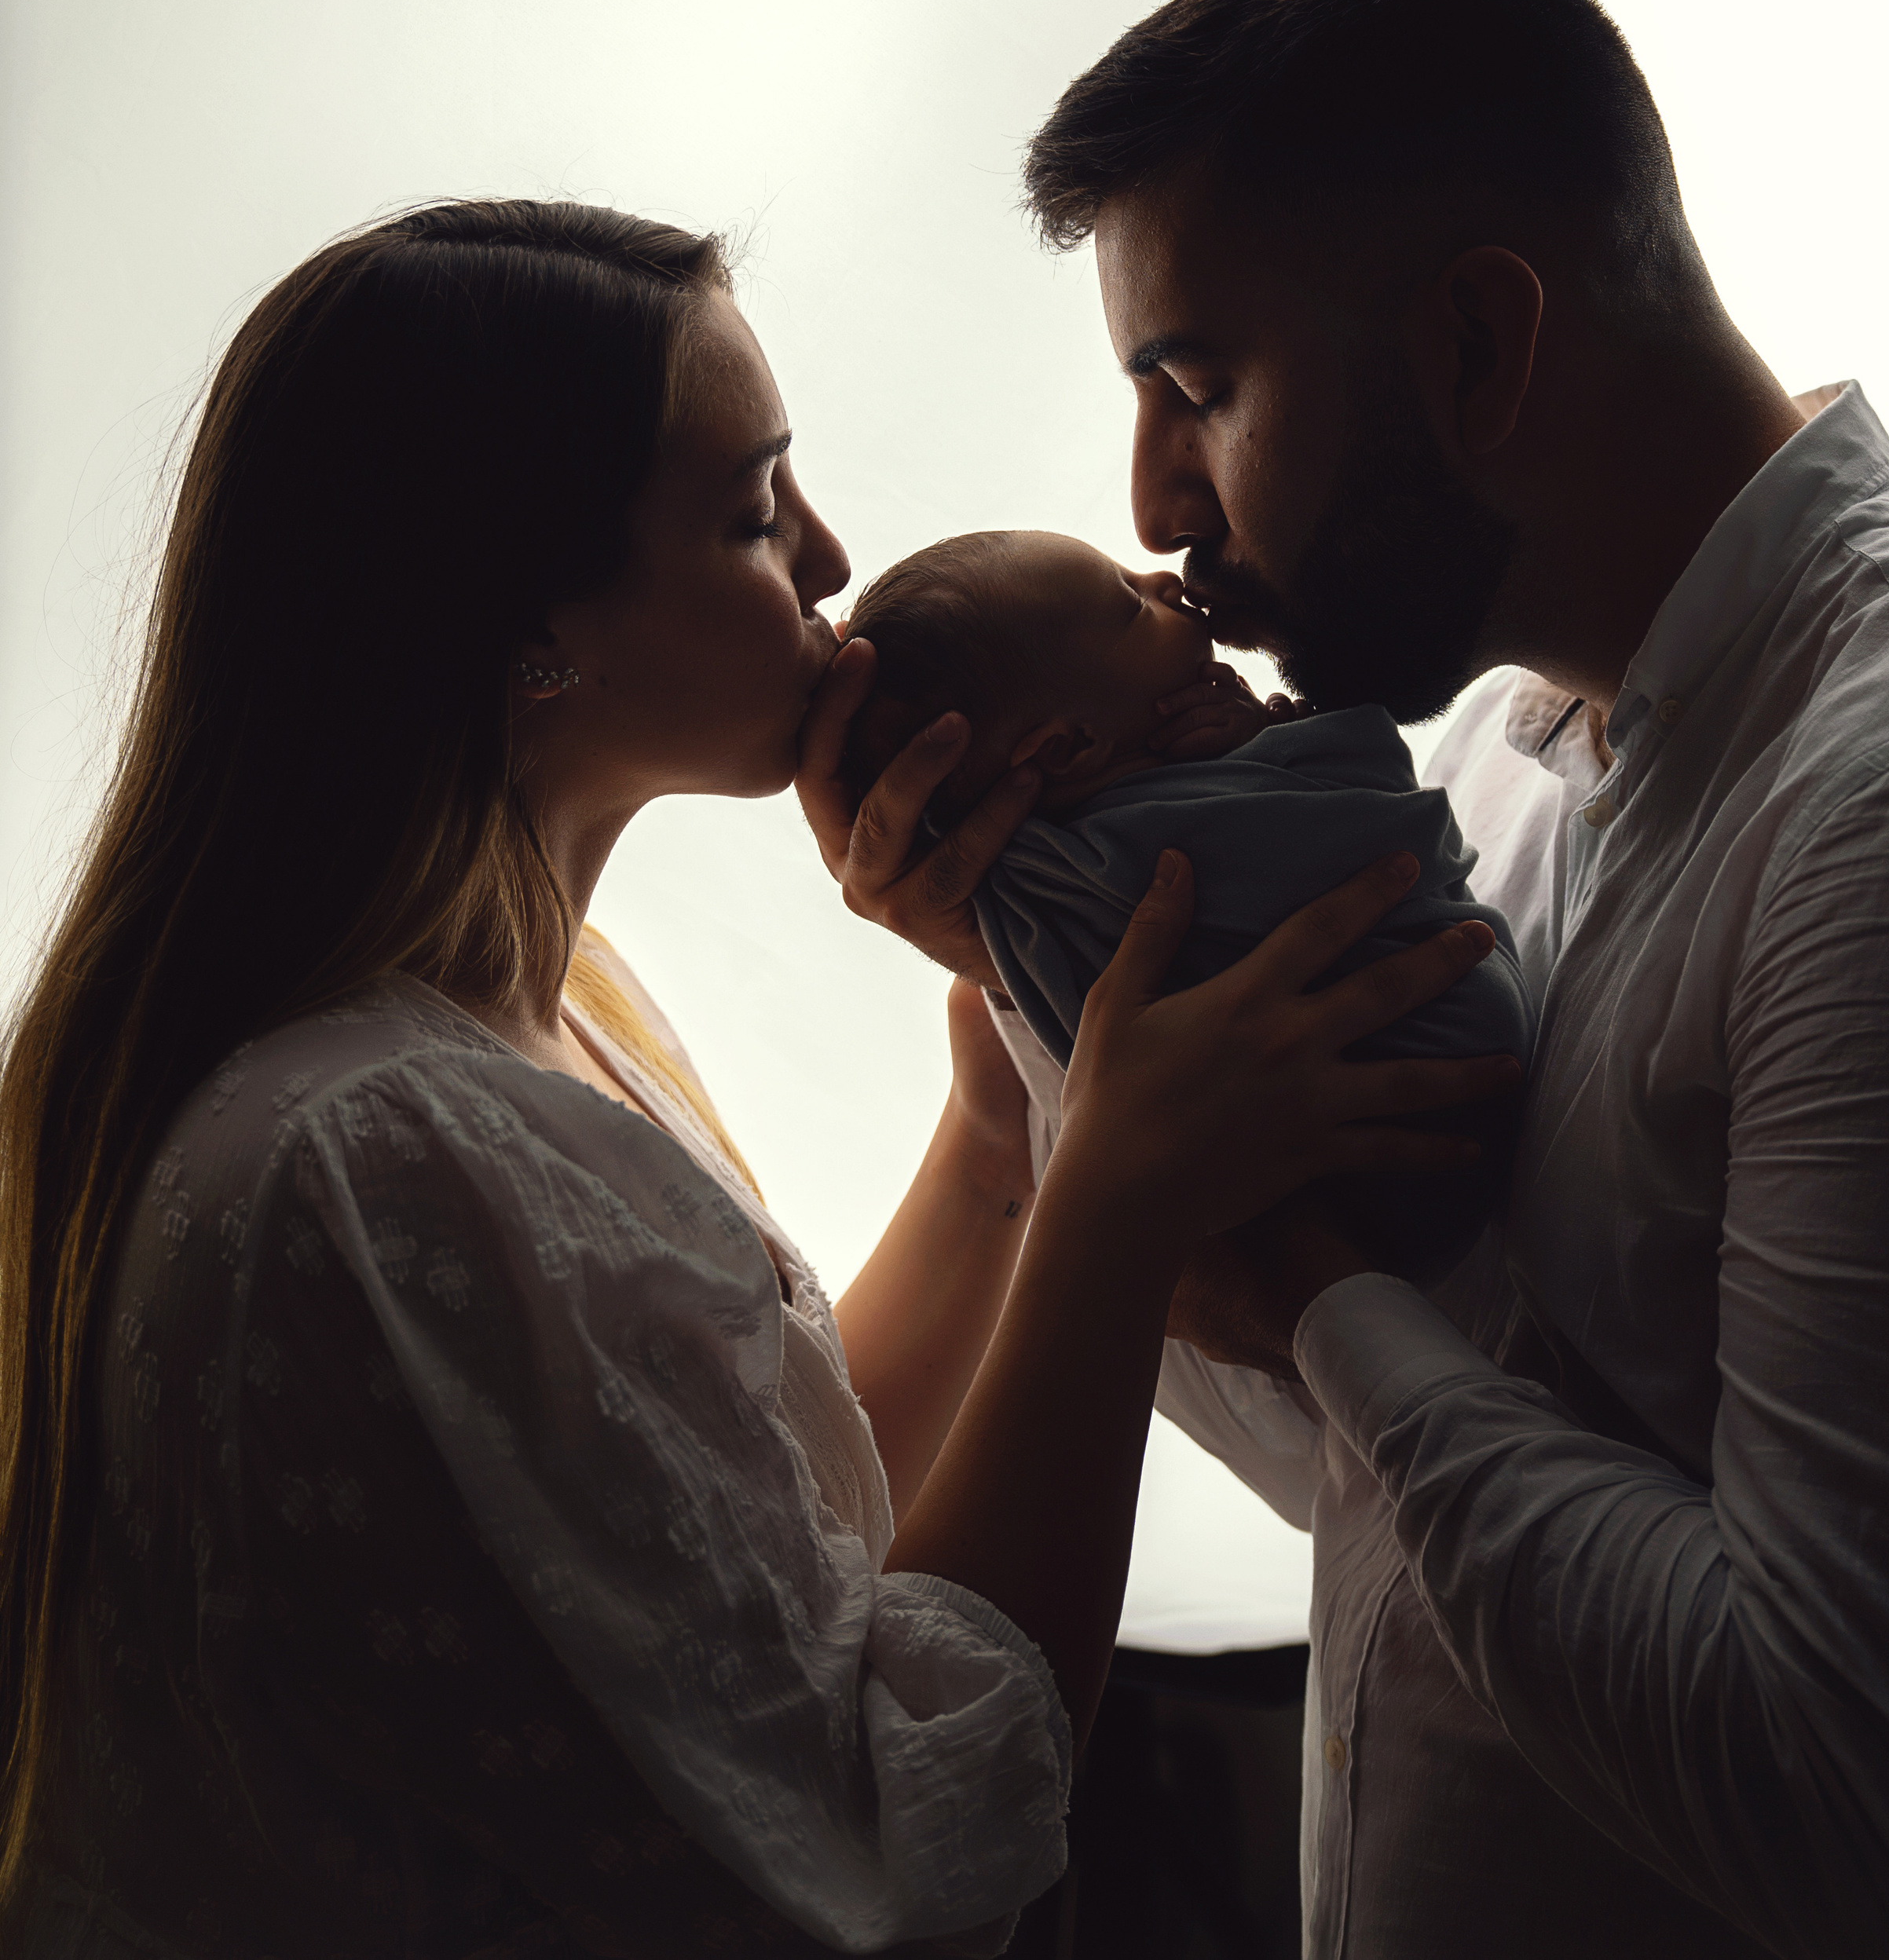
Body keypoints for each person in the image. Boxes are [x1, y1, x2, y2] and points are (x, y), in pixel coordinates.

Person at [0, 199, 1521, 1958]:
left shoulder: (555, 1005)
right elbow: (866, 1848)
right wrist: (1114, 1210)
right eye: (747, 509)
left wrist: (990, 1136)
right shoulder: (375, 1153)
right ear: (525, 630)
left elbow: (746, 1548)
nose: (824, 557)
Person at [799, 0, 1889, 1958]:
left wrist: (1317, 1284)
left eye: (1198, 382)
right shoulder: (1471, 772)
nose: (1153, 501)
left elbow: (1861, 1795)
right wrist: (1035, 1021)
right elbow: (1395, 1467)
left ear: (1476, 338)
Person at [840, 528, 1532, 1281]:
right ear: (1067, 749)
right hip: (1455, 1063)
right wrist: (1287, 735)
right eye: (1130, 606)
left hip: (1358, 1218)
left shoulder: (1022, 887)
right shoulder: (1171, 838)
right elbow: (1400, 832)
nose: (1164, 583)